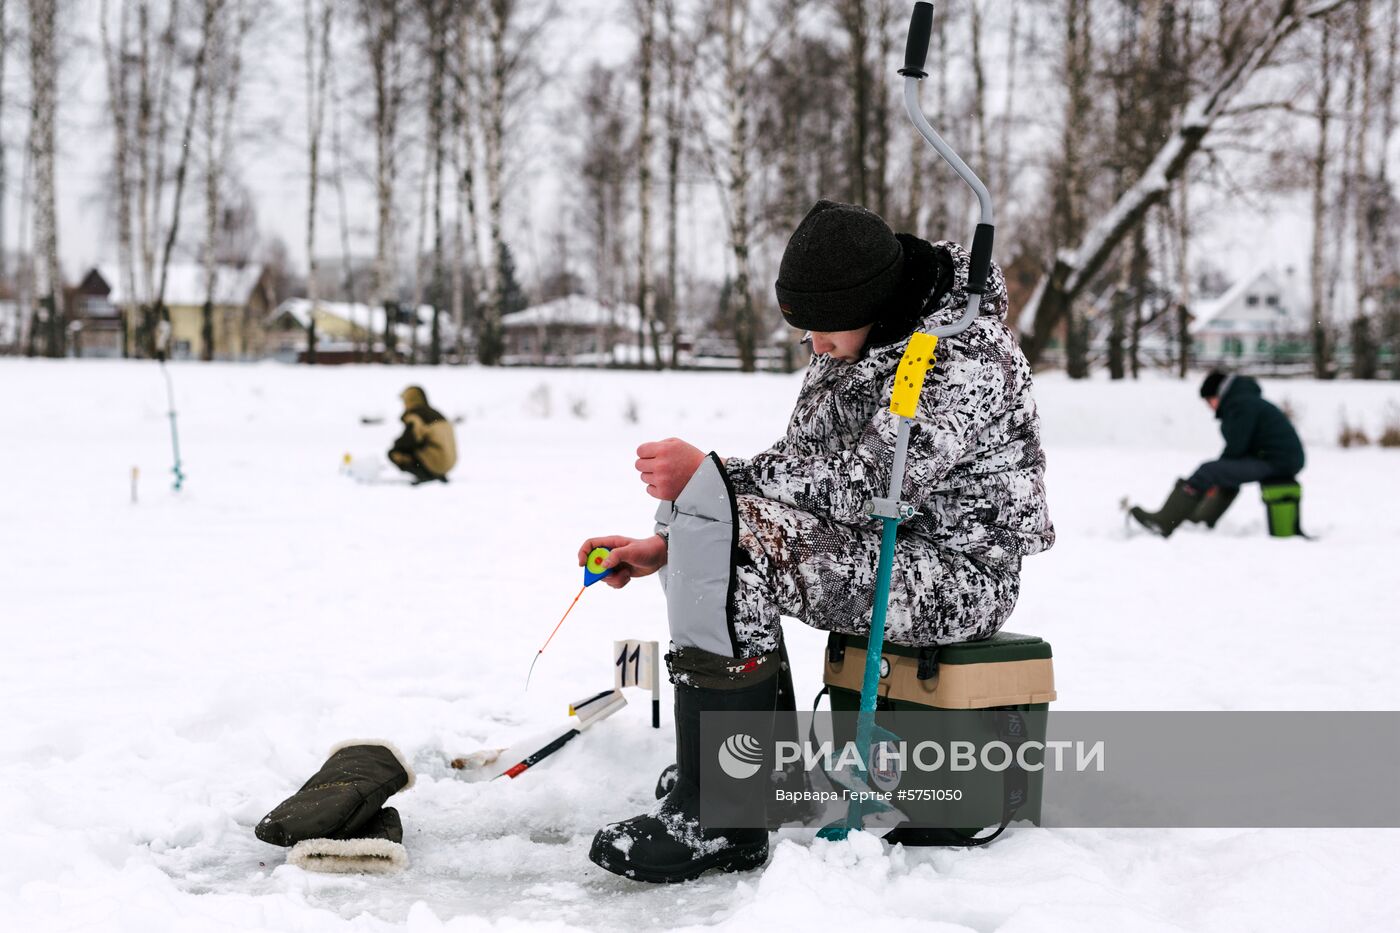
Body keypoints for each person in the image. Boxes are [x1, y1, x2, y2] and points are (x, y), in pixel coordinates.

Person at [577, 199, 1055, 883]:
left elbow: (867, 484)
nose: (814, 345)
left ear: (871, 301)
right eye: (803, 330)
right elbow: (794, 470)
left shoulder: (966, 356)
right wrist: (670, 542)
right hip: (891, 550)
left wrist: (711, 474)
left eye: (822, 328)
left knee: (746, 549)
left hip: (959, 575)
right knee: (730, 535)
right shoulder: (858, 341)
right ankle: (745, 771)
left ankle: (725, 816)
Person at [1129, 371, 1305, 538]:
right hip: (1279, 459)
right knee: (1223, 475)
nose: (1209, 407)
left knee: (1208, 471)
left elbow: (1237, 446)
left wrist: (1217, 472)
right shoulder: (1246, 401)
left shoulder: (1240, 404)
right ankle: (1200, 522)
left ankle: (1164, 521)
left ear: (1218, 394)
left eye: (1208, 400)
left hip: (1276, 461)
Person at [387, 386, 457, 484]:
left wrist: (396, 446)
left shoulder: (416, 416)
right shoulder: (436, 414)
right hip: (449, 462)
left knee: (395, 453)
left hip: (437, 462)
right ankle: (436, 473)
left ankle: (426, 475)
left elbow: (408, 440)